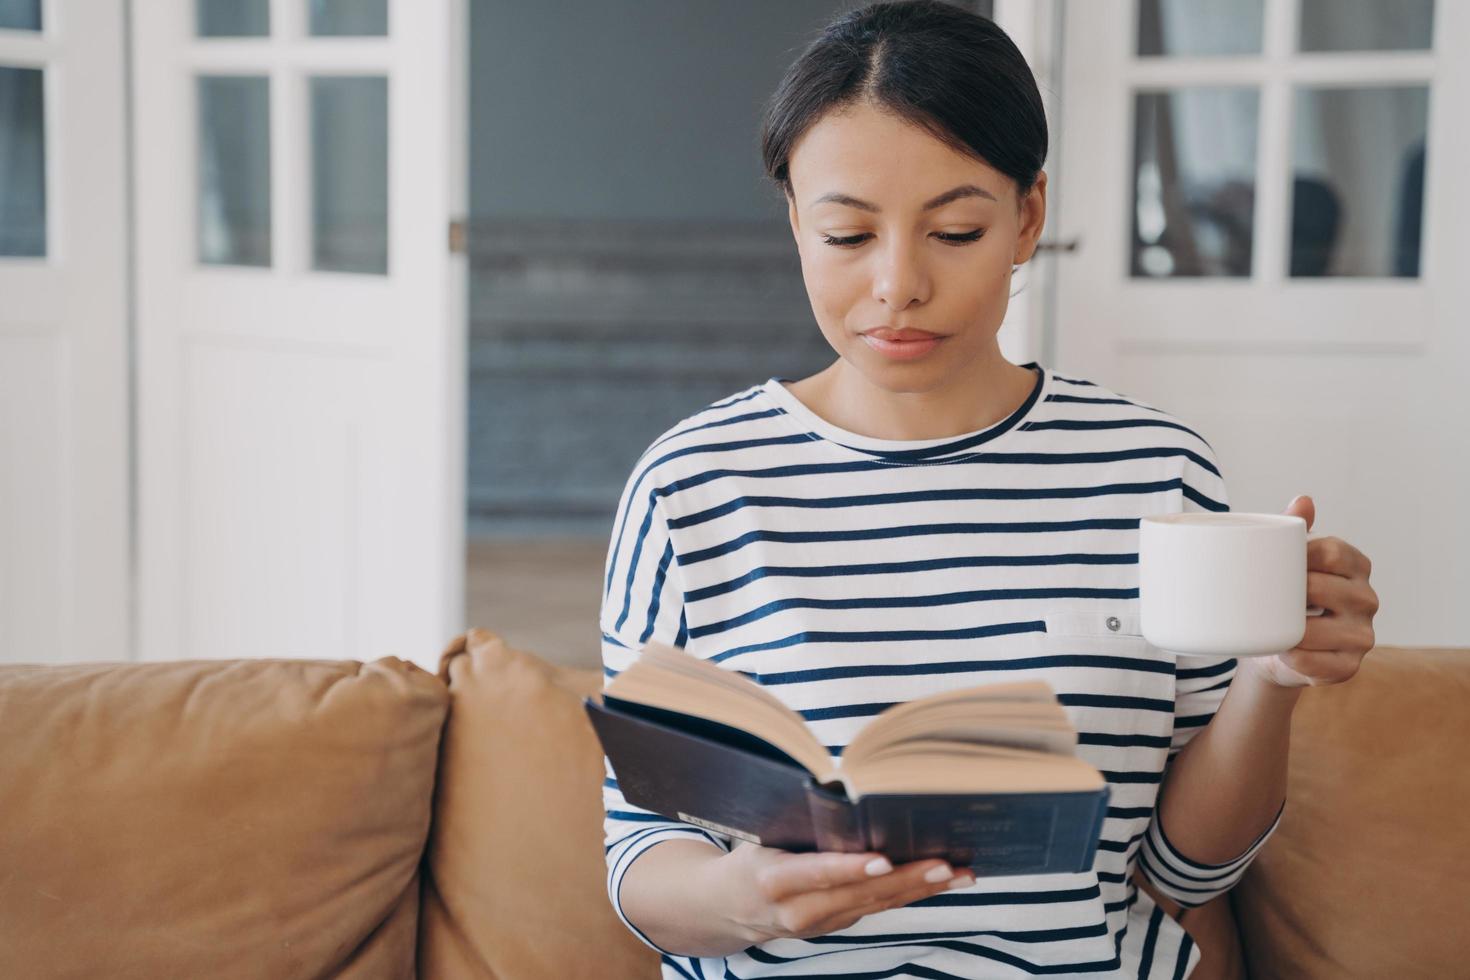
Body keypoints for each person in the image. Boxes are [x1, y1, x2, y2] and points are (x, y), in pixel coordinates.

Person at [598, 3, 1380, 977]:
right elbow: (637, 853)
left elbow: (1188, 867)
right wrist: (737, 899)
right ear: (796, 219)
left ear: (1027, 218)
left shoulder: (1155, 471)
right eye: (846, 235)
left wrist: (1272, 675)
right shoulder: (693, 484)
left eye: (955, 230)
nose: (898, 284)